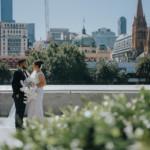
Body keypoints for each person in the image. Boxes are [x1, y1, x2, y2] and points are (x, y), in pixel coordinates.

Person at [12, 59, 29, 129]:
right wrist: (16, 93)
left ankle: (21, 124)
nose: (26, 64)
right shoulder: (17, 72)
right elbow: (14, 83)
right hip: (19, 95)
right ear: (22, 64)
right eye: (25, 63)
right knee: (18, 111)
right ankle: (17, 126)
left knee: (22, 111)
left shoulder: (25, 73)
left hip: (24, 95)